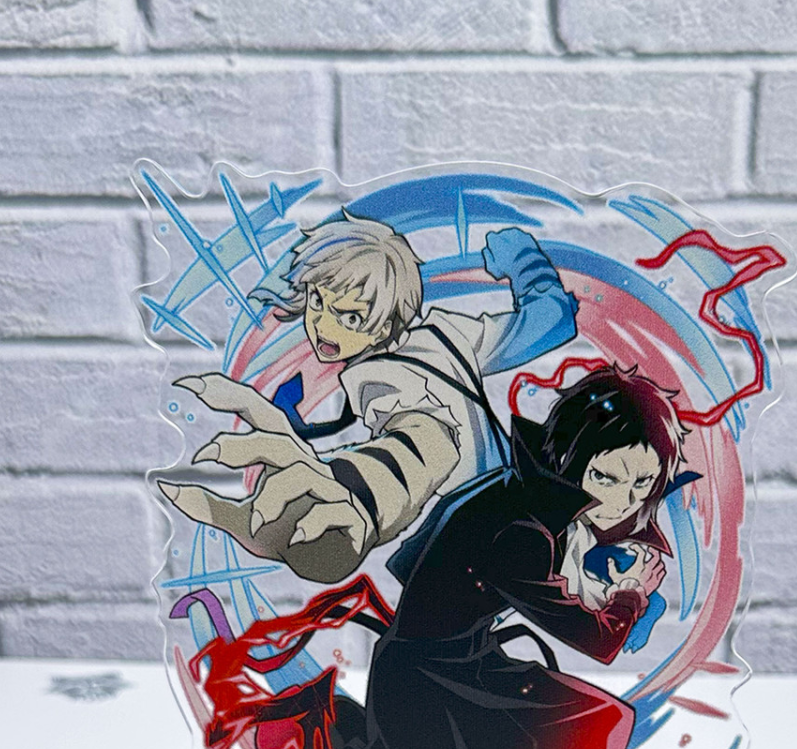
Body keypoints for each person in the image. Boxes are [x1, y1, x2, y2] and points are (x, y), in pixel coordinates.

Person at [199, 364, 743, 749]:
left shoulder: (520, 495)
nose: (624, 500)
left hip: (463, 661)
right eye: (606, 477)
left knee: (539, 747)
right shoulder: (521, 529)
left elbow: (419, 563)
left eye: (642, 485)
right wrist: (631, 596)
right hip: (426, 680)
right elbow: (597, 641)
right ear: (568, 461)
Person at [159, 211, 577, 584]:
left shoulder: (393, 369)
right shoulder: (433, 344)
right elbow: (552, 319)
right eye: (318, 302)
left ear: (385, 326)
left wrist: (358, 494)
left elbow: (427, 438)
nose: (324, 327)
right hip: (494, 537)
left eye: (352, 317)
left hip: (503, 529)